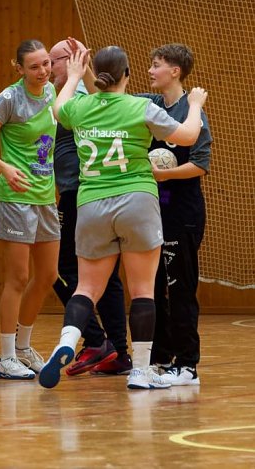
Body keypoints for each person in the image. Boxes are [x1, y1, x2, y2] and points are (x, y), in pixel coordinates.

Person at [38, 46, 207, 390]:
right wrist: (196, 105)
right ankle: (142, 372)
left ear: (95, 74)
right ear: (126, 74)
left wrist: (72, 77)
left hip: (91, 204)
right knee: (143, 289)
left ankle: (66, 342)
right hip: (137, 201)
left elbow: (57, 108)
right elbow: (188, 136)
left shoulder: (80, 107)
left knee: (86, 288)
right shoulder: (140, 106)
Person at [0, 40, 60, 380]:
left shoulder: (53, 92)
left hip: (44, 197)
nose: (42, 71)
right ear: (20, 68)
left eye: (46, 64)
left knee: (48, 276)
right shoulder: (10, 99)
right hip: (15, 198)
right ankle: (6, 356)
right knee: (18, 277)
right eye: (35, 66)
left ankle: (24, 348)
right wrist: (5, 169)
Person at [47, 38, 131, 377]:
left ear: (69, 61)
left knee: (56, 268)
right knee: (105, 274)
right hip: (84, 194)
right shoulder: (72, 94)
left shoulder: (77, 98)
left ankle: (97, 340)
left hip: (80, 194)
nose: (48, 68)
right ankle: (118, 351)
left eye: (52, 61)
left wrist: (78, 76)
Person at [140, 44, 212, 386]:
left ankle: (188, 364)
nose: (150, 71)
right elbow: (110, 95)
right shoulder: (151, 105)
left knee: (179, 287)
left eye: (157, 66)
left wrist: (164, 175)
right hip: (152, 210)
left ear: (175, 71)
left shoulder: (192, 111)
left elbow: (199, 165)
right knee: (152, 286)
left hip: (182, 212)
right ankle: (161, 358)